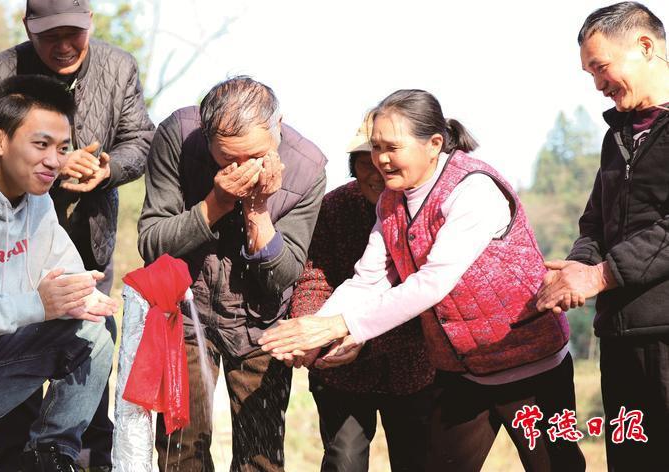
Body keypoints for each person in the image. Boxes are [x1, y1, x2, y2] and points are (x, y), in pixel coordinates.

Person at [260, 89, 586, 471]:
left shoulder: (474, 189)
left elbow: (432, 282)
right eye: (375, 148)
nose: (381, 159)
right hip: (463, 372)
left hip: (529, 363)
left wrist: (340, 325)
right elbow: (369, 279)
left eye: (391, 148)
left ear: (433, 144)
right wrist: (315, 332)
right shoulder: (391, 201)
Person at [0, 0, 154, 469]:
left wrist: (106, 169)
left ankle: (65, 458)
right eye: (50, 35)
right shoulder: (0, 72)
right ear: (28, 28)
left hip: (84, 240)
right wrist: (50, 166)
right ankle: (18, 462)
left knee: (93, 337)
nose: (64, 45)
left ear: (91, 22)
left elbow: (141, 140)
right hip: (5, 252)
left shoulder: (119, 67)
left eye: (73, 32)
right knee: (8, 363)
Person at [138, 76, 327, 471]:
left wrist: (257, 210)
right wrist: (216, 203)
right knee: (179, 450)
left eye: (256, 155)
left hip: (262, 325)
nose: (244, 168)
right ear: (207, 137)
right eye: (228, 159)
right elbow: (152, 243)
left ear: (278, 127)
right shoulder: (179, 136)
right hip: (185, 314)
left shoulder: (308, 168)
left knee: (260, 457)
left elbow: (285, 274)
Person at [535, 2, 669, 470]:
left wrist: (600, 276)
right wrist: (577, 267)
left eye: (601, 67)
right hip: (619, 337)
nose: (597, 84)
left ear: (645, 46)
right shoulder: (617, 137)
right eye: (590, 73)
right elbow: (594, 222)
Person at [0, 75, 117, 472]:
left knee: (94, 329)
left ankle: (49, 457)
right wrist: (37, 305)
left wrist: (84, 296)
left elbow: (64, 269)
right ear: (0, 141)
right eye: (41, 144)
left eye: (63, 148)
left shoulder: (38, 200)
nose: (54, 161)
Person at [288, 115, 436, 471]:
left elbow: (430, 297)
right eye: (365, 160)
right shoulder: (334, 207)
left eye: (385, 158)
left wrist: (362, 337)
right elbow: (314, 278)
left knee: (418, 462)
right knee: (344, 461)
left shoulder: (431, 211)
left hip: (416, 368)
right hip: (340, 369)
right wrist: (311, 332)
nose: (376, 171)